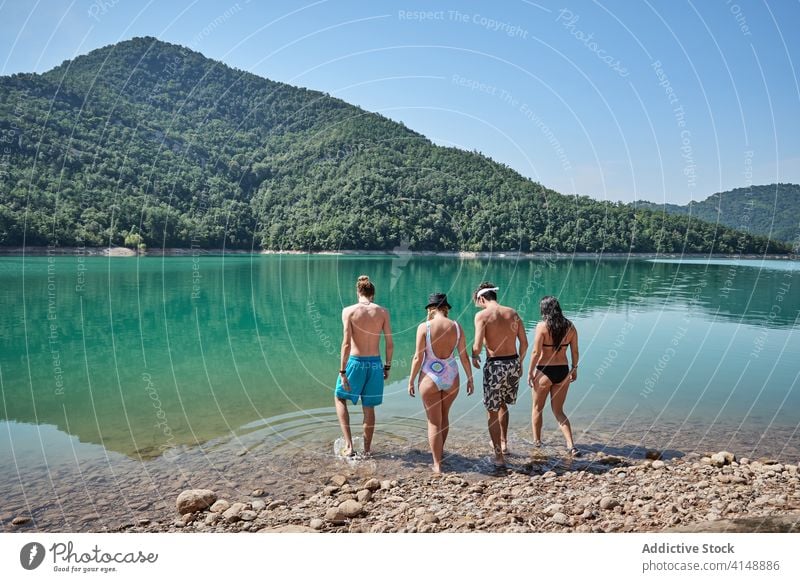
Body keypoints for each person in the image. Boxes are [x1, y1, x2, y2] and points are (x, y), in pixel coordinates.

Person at [408, 292, 473, 473]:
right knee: (444, 416)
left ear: (431, 309)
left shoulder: (424, 327)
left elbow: (417, 357)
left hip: (430, 377)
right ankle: (440, 453)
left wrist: (411, 380)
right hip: (452, 377)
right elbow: (464, 356)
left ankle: (437, 464)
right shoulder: (457, 327)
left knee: (433, 422)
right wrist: (470, 378)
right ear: (446, 308)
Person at [334, 275, 393, 457]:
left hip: (355, 362)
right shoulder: (383, 312)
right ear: (372, 294)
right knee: (369, 407)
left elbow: (346, 344)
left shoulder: (349, 311)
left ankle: (350, 446)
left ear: (358, 292)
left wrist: (343, 371)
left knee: (339, 397)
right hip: (375, 364)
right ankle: (367, 450)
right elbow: (389, 343)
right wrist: (387, 366)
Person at [471, 282, 528, 467]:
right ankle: (504, 444)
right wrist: (519, 363)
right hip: (512, 362)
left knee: (492, 410)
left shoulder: (482, 316)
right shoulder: (512, 313)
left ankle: (498, 457)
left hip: (495, 365)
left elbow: (478, 346)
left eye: (477, 302)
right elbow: (524, 343)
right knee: (503, 404)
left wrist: (473, 355)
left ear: (481, 298)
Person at [527, 295, 580, 456]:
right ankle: (571, 445)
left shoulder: (542, 327)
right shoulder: (570, 326)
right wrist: (574, 368)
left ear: (544, 310)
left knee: (537, 409)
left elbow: (536, 352)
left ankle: (537, 443)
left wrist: (530, 371)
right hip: (563, 371)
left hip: (544, 371)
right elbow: (575, 351)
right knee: (559, 411)